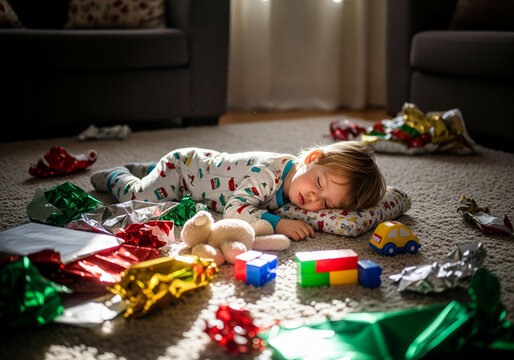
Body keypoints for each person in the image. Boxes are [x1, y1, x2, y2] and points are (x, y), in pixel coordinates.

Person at [90, 141, 386, 241]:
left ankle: (150, 169)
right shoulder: (269, 174)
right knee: (139, 200)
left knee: (158, 185)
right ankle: (119, 176)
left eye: (325, 204)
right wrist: (279, 224)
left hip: (198, 169)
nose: (312, 200)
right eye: (319, 185)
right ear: (311, 159)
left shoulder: (299, 181)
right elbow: (235, 210)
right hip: (184, 170)